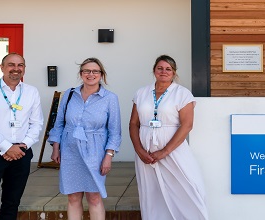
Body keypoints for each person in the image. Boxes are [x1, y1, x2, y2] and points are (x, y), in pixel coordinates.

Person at [129, 55, 209, 220]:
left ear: (173, 72)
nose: (163, 72)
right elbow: (133, 123)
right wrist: (139, 150)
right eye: (160, 68)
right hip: (145, 150)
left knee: (186, 186)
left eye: (168, 69)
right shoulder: (142, 92)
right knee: (151, 191)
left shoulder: (182, 94)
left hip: (173, 149)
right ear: (154, 71)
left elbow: (187, 125)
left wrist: (164, 151)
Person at [0, 53, 44, 220]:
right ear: (2, 67)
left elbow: (36, 123)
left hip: (21, 152)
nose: (16, 69)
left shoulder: (31, 92)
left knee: (12, 202)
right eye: (11, 65)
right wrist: (6, 147)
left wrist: (22, 146)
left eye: (20, 65)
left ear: (24, 69)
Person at [48, 57, 121, 220]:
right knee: (73, 197)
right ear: (81, 74)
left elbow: (115, 131)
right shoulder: (69, 95)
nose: (91, 74)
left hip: (96, 152)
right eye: (86, 71)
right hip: (70, 151)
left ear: (101, 74)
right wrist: (55, 148)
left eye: (95, 71)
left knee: (94, 197)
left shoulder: (110, 98)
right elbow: (59, 123)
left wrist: (108, 156)